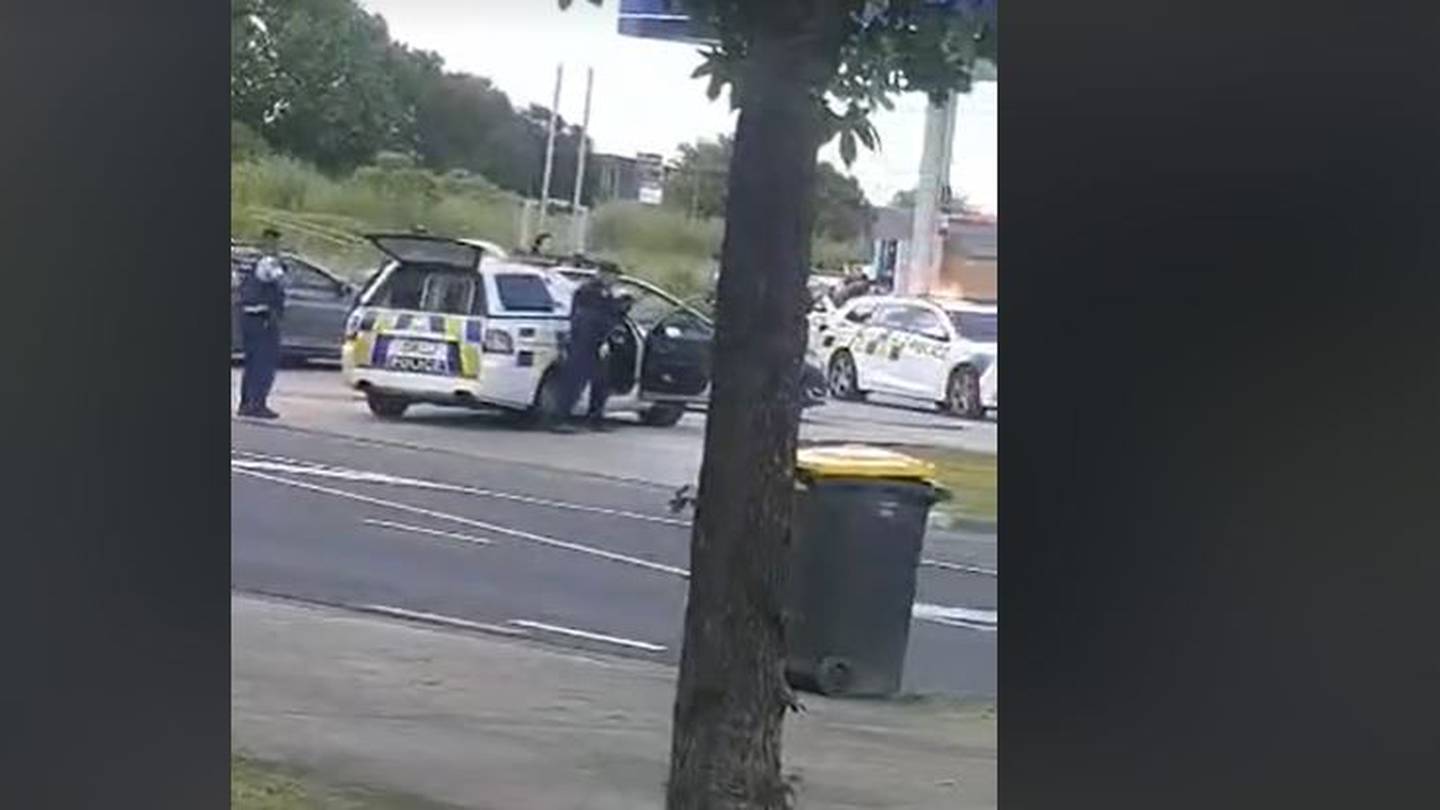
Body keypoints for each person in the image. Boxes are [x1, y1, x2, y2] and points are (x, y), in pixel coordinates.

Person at [551, 264, 628, 432]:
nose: (613, 280)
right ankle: (559, 419)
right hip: (584, 343)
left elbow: (612, 316)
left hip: (598, 343)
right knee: (574, 383)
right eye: (611, 275)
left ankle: (595, 418)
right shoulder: (589, 291)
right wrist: (617, 303)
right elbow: (593, 318)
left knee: (601, 384)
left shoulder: (605, 293)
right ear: (601, 274)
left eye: (615, 277)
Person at [236, 227, 287, 419]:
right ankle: (257, 404)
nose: (276, 247)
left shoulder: (248, 263)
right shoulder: (268, 262)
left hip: (248, 317)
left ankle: (246, 403)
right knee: (264, 363)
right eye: (274, 242)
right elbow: (280, 280)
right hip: (263, 319)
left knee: (252, 363)